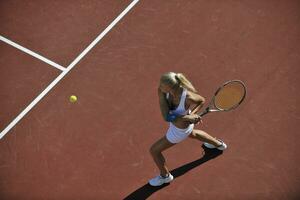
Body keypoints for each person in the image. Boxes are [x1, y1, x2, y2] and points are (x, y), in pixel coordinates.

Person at [149, 72, 227, 187]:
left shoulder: (187, 96)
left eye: (162, 85)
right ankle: (219, 144)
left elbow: (201, 100)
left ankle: (165, 176)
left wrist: (193, 114)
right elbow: (166, 116)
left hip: (178, 131)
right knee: (192, 133)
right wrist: (189, 117)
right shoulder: (162, 91)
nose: (159, 86)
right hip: (185, 126)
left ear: (171, 87)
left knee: (154, 151)